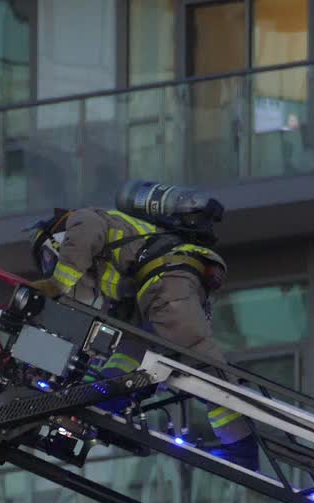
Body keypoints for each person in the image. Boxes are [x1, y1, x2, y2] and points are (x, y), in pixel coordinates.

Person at [24, 181, 259, 470]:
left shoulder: (81, 220)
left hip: (167, 276)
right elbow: (110, 326)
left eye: (49, 256)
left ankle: (242, 446)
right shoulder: (113, 269)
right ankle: (108, 398)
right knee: (125, 345)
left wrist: (57, 283)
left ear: (56, 238)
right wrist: (92, 387)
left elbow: (84, 239)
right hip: (152, 285)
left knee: (199, 359)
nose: (50, 265)